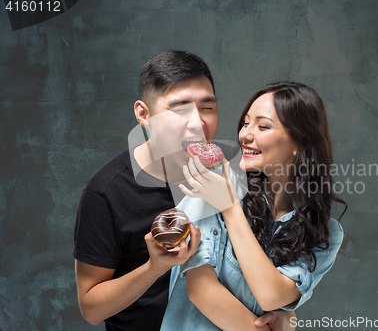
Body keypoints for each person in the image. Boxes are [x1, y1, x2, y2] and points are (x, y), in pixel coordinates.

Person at [73, 51, 295, 331]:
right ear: (144, 114)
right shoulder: (105, 192)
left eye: (207, 107)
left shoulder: (237, 171)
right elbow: (92, 310)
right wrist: (155, 267)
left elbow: (273, 266)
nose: (197, 123)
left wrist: (287, 314)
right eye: (179, 109)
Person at [160, 81, 346, 330]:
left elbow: (272, 296)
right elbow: (201, 290)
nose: (245, 134)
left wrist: (229, 208)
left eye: (263, 126)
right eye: (246, 123)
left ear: (298, 144)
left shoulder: (325, 233)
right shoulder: (213, 184)